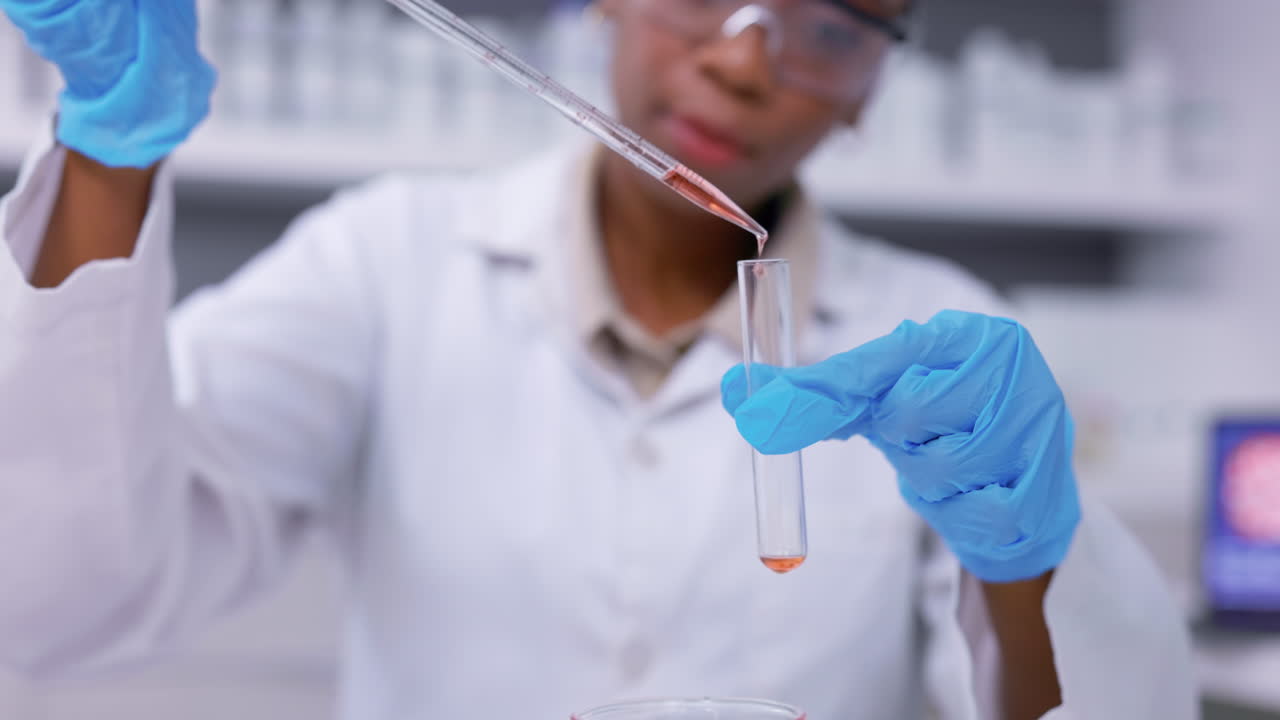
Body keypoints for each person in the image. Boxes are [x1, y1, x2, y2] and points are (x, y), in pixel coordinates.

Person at [0, 1, 1196, 719]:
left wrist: (1028, 574)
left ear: (874, 85)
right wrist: (112, 143)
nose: (740, 59)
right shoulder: (382, 263)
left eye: (826, 26)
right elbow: (51, 595)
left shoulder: (939, 347)